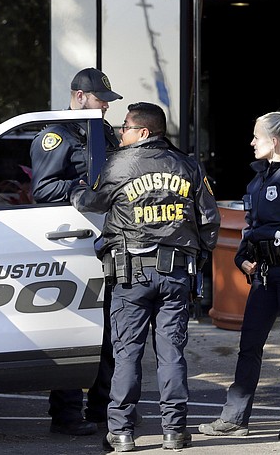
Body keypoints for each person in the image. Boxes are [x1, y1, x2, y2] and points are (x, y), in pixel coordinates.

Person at [70, 102, 221, 452]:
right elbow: (210, 222)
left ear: (143, 132)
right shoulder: (187, 165)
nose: (120, 132)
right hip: (176, 275)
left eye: (125, 127)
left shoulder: (119, 164)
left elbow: (94, 202)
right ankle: (174, 431)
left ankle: (121, 433)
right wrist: (196, 259)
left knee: (126, 354)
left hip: (130, 275)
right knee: (171, 354)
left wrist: (76, 191)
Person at [198, 108, 280, 442]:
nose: (251, 142)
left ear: (273, 141)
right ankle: (234, 419)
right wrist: (243, 257)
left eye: (256, 136)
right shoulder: (259, 179)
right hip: (266, 273)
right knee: (249, 345)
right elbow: (252, 228)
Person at [29, 67, 121, 436]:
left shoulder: (104, 133)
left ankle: (101, 409)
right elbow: (43, 189)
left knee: (109, 334)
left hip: (108, 242)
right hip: (70, 244)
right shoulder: (56, 136)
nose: (106, 108)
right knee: (74, 329)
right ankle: (66, 414)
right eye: (101, 101)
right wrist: (79, 185)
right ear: (80, 97)